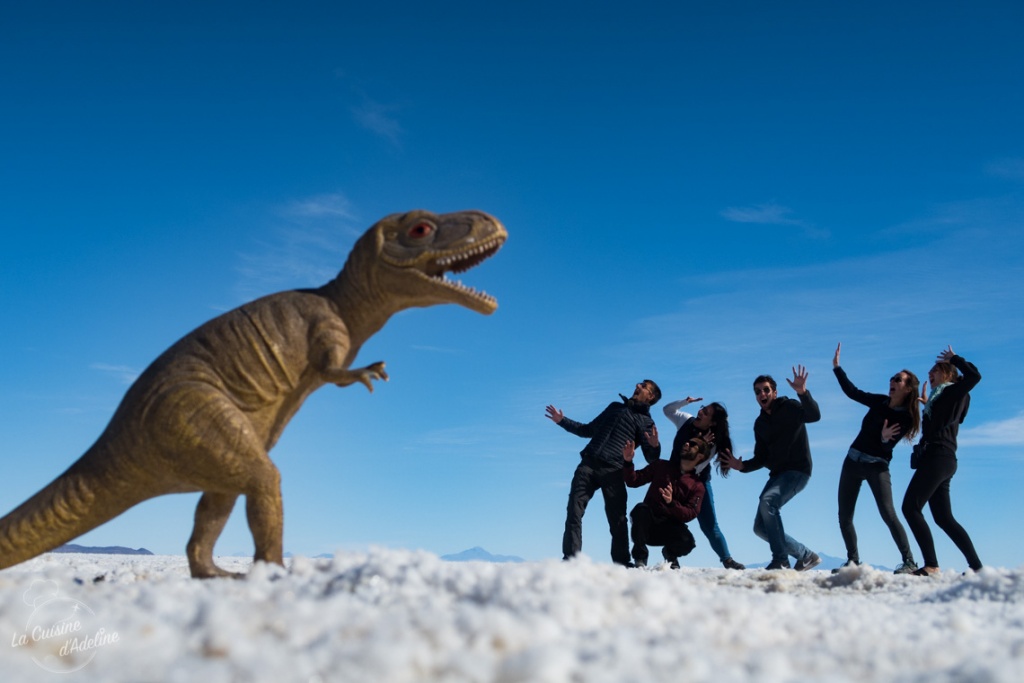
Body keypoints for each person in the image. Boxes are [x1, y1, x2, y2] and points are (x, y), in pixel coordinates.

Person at [546, 380, 662, 565]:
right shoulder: (615, 407)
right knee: (573, 513)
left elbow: (651, 457)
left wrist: (655, 446)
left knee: (618, 521)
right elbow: (588, 430)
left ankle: (622, 563)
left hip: (614, 470)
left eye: (643, 386)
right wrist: (562, 421)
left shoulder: (646, 422)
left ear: (650, 396)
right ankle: (571, 560)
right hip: (589, 464)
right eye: (639, 384)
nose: (638, 386)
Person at [720, 366, 822, 571]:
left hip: (797, 471)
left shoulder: (790, 407)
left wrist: (803, 393)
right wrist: (742, 466)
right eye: (757, 392)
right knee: (760, 528)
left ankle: (781, 560)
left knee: (768, 502)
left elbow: (814, 416)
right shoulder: (760, 424)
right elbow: (762, 457)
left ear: (774, 392)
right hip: (777, 475)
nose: (762, 394)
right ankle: (806, 555)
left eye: (766, 390)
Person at [832, 342, 921, 574]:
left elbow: (888, 444)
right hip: (852, 461)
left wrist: (883, 439)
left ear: (908, 388)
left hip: (876, 466)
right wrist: (837, 369)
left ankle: (910, 562)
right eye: (892, 378)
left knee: (888, 513)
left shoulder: (907, 419)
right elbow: (854, 393)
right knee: (844, 516)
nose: (892, 381)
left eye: (898, 379)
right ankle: (853, 561)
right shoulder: (880, 401)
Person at [901, 346, 983, 576]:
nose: (930, 374)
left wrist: (955, 359)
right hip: (942, 459)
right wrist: (929, 406)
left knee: (910, 507)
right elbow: (941, 423)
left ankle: (931, 565)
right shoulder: (941, 399)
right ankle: (977, 568)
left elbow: (975, 376)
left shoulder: (954, 392)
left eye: (934, 371)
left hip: (939, 458)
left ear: (947, 373)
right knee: (944, 518)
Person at [662, 396, 745, 569]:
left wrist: (702, 446)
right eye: (702, 408)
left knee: (710, 525)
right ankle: (671, 555)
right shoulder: (686, 421)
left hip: (698, 482)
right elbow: (667, 410)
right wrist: (685, 402)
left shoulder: (713, 442)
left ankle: (727, 559)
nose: (700, 411)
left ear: (712, 423)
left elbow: (695, 467)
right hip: (675, 478)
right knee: (673, 519)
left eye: (705, 412)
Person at [622, 435, 709, 569]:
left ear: (700, 457)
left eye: (692, 445)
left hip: (668, 529)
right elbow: (633, 481)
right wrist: (628, 462)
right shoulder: (661, 465)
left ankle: (670, 554)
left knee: (688, 542)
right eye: (686, 442)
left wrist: (671, 503)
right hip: (647, 526)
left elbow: (691, 513)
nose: (686, 444)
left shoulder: (697, 486)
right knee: (640, 510)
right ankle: (640, 558)